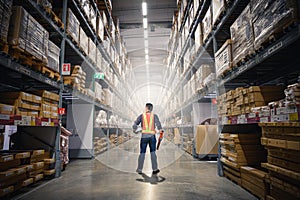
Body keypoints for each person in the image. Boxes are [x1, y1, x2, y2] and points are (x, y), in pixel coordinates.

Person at [133, 103, 163, 175]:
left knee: (142, 153)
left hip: (144, 137)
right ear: (152, 109)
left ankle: (139, 169)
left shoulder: (141, 116)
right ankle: (155, 169)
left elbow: (134, 124)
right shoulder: (154, 116)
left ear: (146, 108)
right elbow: (159, 125)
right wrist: (160, 131)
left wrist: (135, 130)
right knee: (153, 153)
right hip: (152, 137)